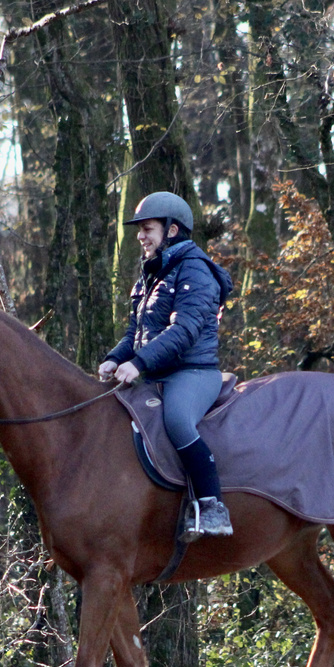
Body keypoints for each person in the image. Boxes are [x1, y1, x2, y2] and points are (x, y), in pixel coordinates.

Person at [100, 192, 236, 537]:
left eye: (147, 229)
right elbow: (135, 331)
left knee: (176, 419)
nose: (140, 237)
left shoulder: (195, 270)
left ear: (172, 230)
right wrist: (115, 358)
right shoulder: (151, 275)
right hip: (157, 372)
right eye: (140, 230)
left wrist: (139, 362)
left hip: (193, 372)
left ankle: (211, 505)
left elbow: (185, 330)